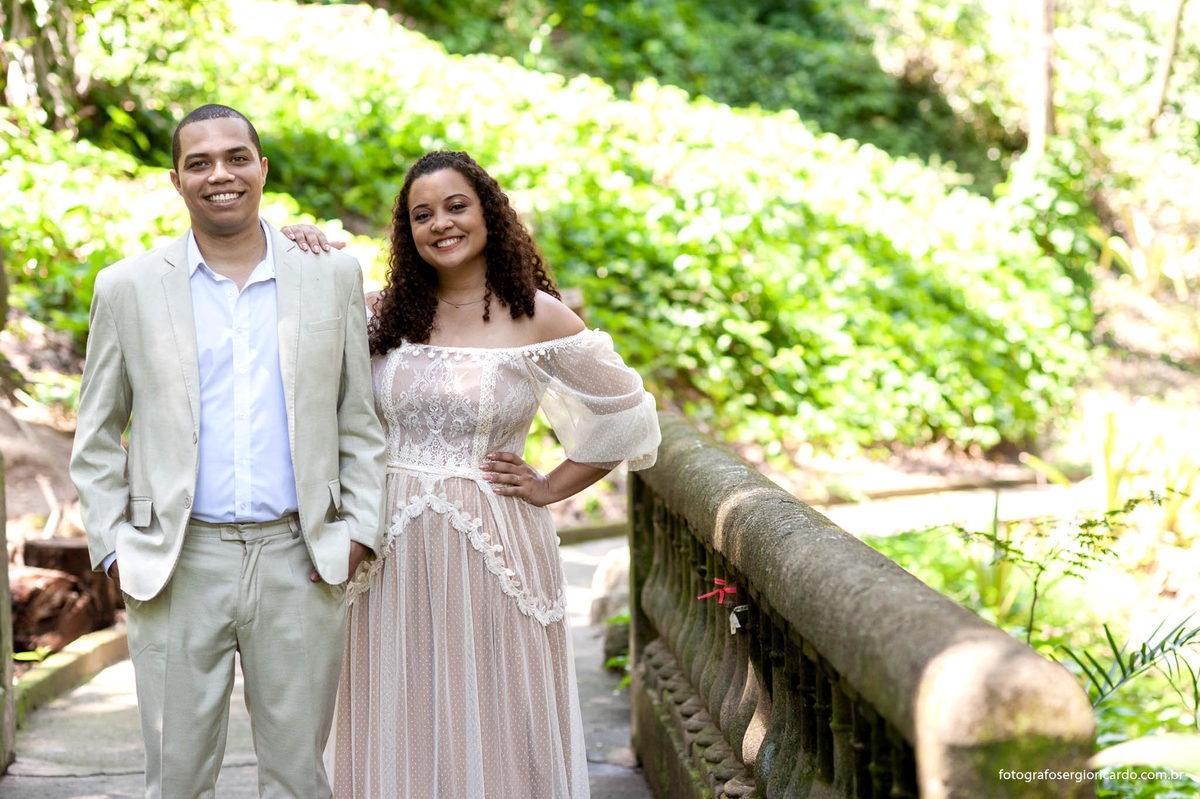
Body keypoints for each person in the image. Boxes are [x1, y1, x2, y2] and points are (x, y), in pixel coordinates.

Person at [69, 103, 386, 799]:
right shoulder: (127, 287)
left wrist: (357, 533)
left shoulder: (330, 276)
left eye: (237, 157)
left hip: (298, 560)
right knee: (175, 779)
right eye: (200, 162)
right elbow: (95, 435)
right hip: (179, 561)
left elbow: (358, 419)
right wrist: (119, 547)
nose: (221, 174)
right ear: (176, 180)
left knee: (299, 777)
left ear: (263, 168)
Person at [328, 150, 660, 798]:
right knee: (401, 704)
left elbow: (626, 417)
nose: (440, 224)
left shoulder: (537, 315)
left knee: (493, 706)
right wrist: (301, 244)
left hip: (493, 550)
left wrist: (549, 486)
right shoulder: (381, 313)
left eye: (456, 205)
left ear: (488, 212)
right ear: (407, 231)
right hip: (385, 548)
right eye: (422, 214)